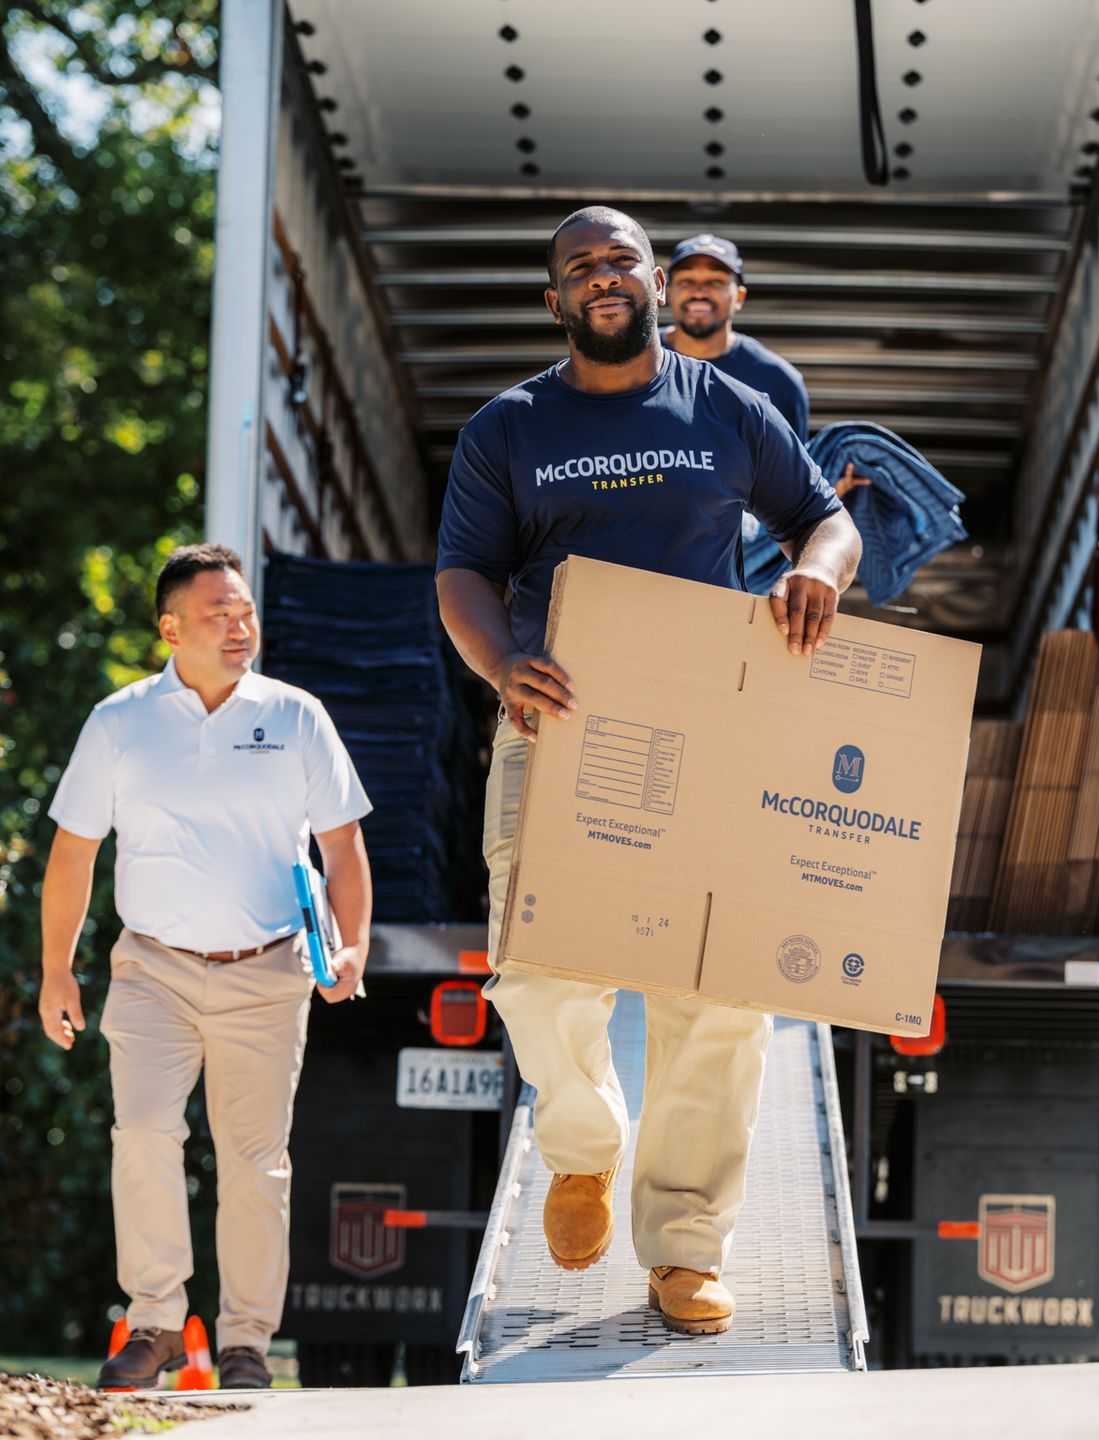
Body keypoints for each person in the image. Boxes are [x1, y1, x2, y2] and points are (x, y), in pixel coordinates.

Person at [434, 205, 862, 1336]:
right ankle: (582, 1150)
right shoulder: (508, 428)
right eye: (581, 267)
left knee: (717, 992)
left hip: (710, 730)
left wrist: (815, 572)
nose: (604, 277)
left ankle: (684, 1243)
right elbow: (465, 576)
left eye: (622, 258)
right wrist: (501, 665)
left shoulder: (729, 408)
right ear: (556, 302)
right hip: (557, 722)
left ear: (659, 285)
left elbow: (826, 520)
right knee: (534, 969)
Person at [37, 543, 373, 1389]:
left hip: (268, 972)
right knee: (144, 1135)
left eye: (246, 611)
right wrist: (57, 970)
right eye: (219, 613)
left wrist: (353, 941)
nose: (239, 626)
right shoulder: (119, 723)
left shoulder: (296, 717)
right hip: (152, 971)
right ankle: (151, 1326)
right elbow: (73, 852)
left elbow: (343, 845)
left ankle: (246, 1346)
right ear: (170, 628)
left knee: (256, 1163)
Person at [662, 231, 865, 497]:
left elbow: (791, 482)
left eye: (716, 281)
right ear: (665, 291)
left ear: (740, 297)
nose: (700, 292)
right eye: (687, 280)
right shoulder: (633, 359)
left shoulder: (778, 380)